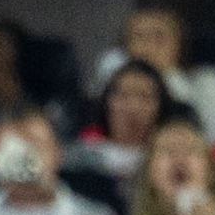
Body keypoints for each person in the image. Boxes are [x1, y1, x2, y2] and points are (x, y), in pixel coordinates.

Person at [92, 8, 215, 144]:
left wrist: (168, 77)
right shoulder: (114, 80)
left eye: (159, 36)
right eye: (138, 36)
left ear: (179, 44)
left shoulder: (207, 81)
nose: (148, 45)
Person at [66, 59, 176, 192]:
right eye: (123, 95)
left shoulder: (170, 162)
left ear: (161, 107)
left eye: (144, 97)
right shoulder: (81, 157)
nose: (133, 106)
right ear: (106, 102)